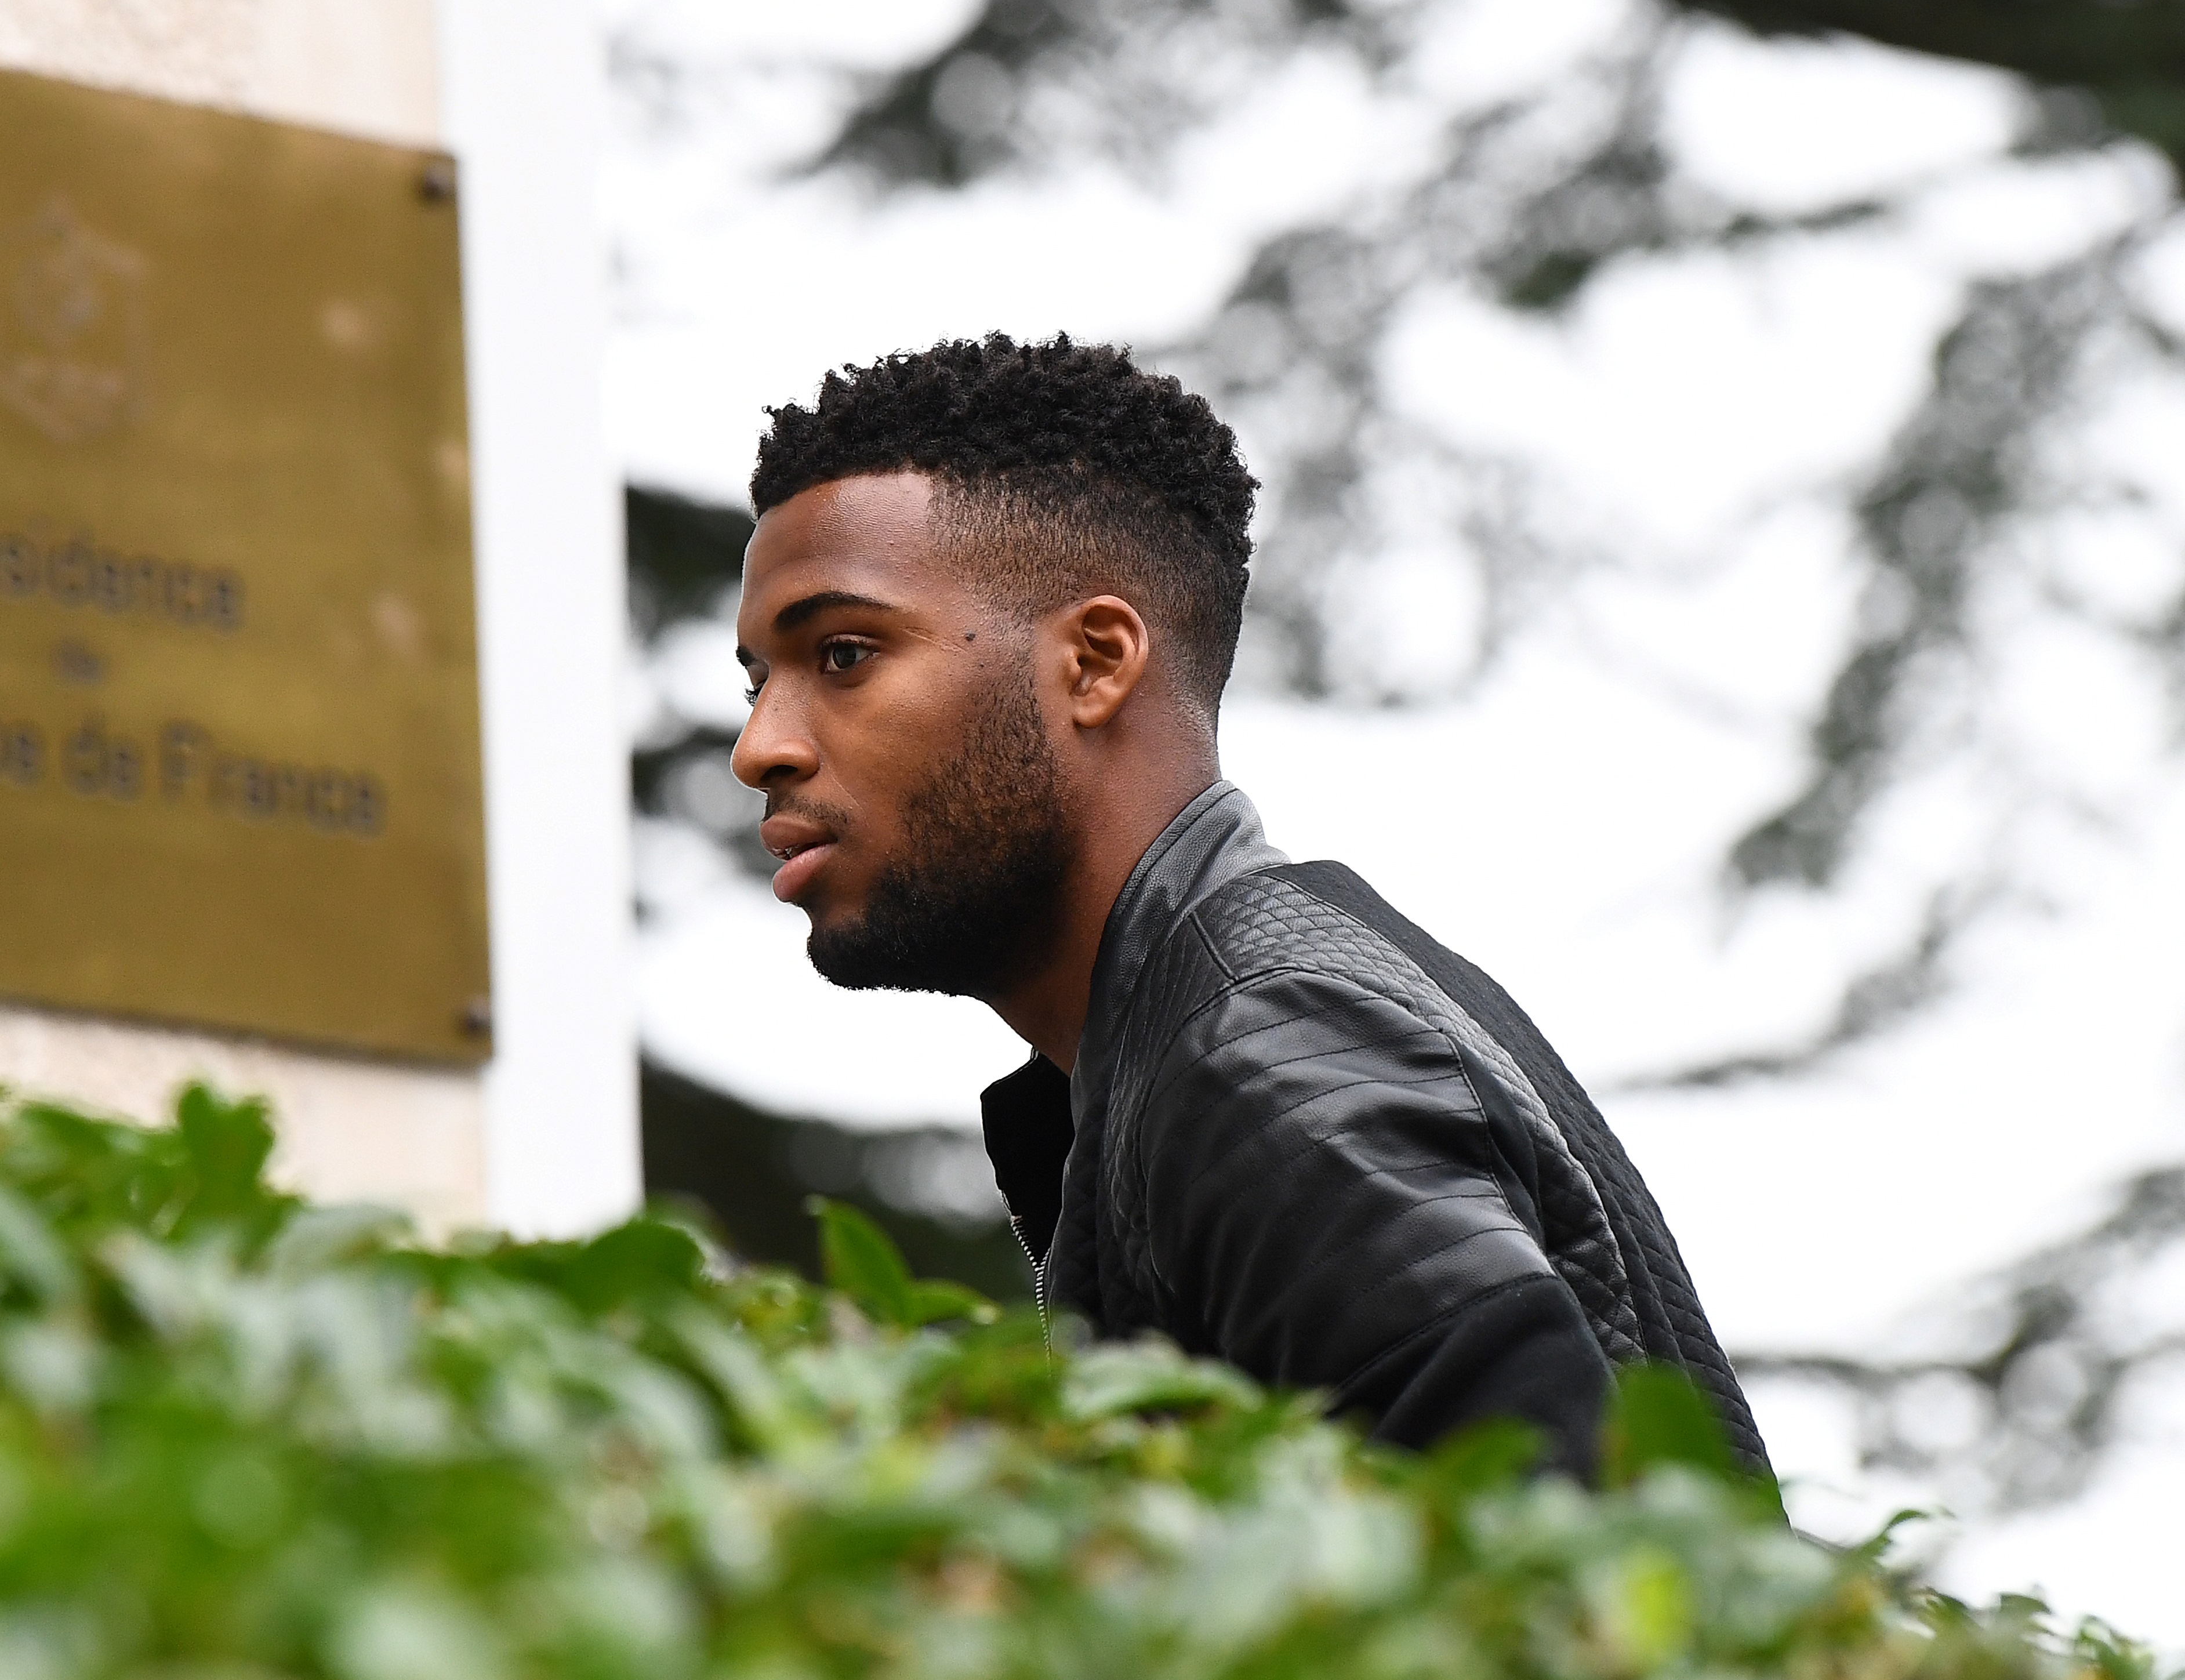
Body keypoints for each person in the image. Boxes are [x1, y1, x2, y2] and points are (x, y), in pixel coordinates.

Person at [730, 333, 1763, 1477]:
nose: (759, 745)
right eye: (756, 681)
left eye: (843, 653)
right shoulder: (1229, 1028)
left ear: (1094, 661)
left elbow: (1567, 1605)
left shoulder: (1266, 1053)